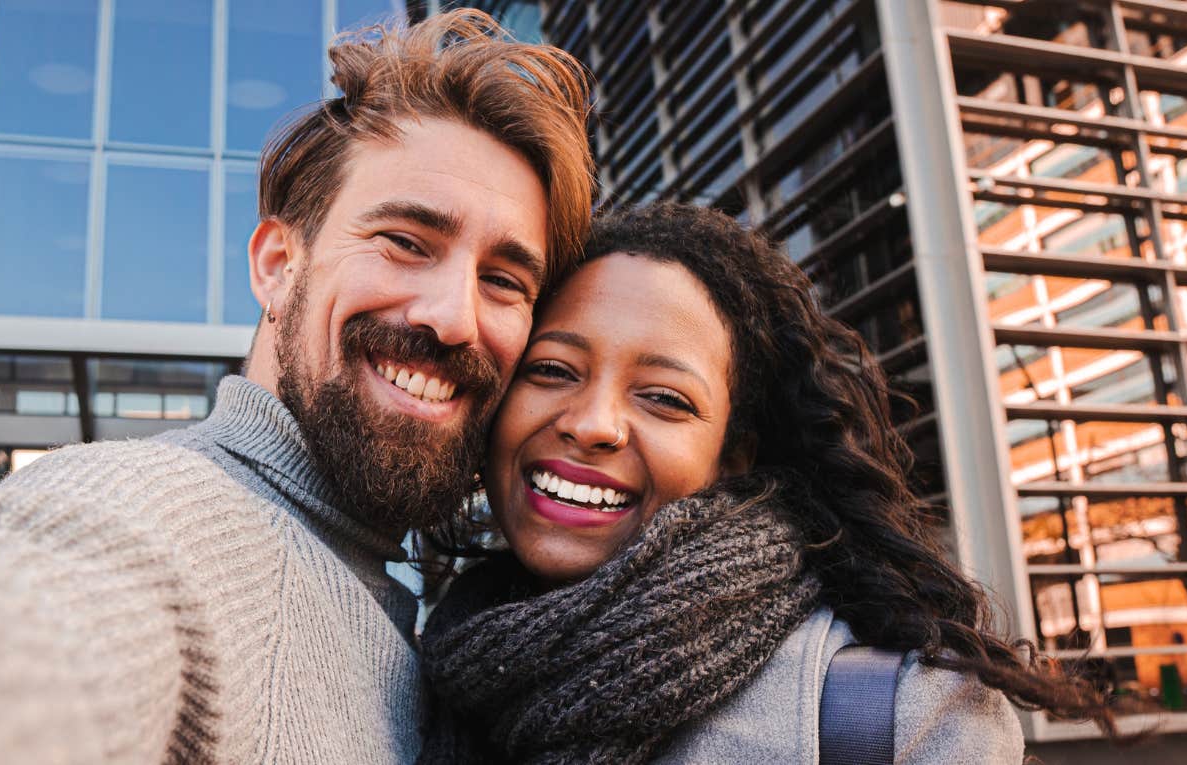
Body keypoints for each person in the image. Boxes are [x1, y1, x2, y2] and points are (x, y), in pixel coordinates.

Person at [0, 10, 591, 764]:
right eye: (406, 243)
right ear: (277, 265)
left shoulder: (401, 611)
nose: (455, 317)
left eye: (503, 280)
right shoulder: (163, 523)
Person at [418, 203, 1117, 763]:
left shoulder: (904, 716)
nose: (594, 423)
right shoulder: (418, 677)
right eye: (552, 370)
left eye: (663, 398)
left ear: (735, 456)